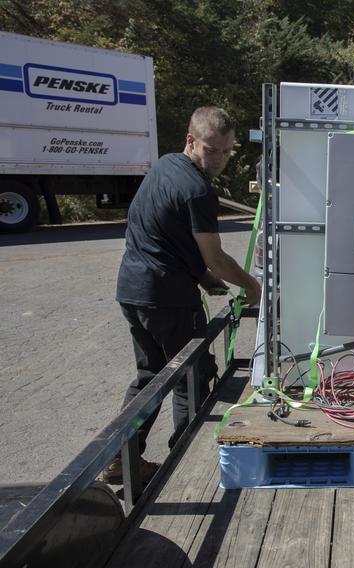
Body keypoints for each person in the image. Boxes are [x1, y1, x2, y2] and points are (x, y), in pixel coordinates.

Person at [102, 106, 262, 484]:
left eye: (226, 151)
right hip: (168, 298)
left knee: (150, 375)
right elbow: (216, 257)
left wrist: (204, 279)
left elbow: (167, 237)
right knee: (192, 375)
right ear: (191, 141)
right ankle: (184, 467)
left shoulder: (165, 165)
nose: (219, 158)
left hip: (134, 290)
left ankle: (120, 460)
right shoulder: (197, 190)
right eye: (211, 149)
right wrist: (251, 286)